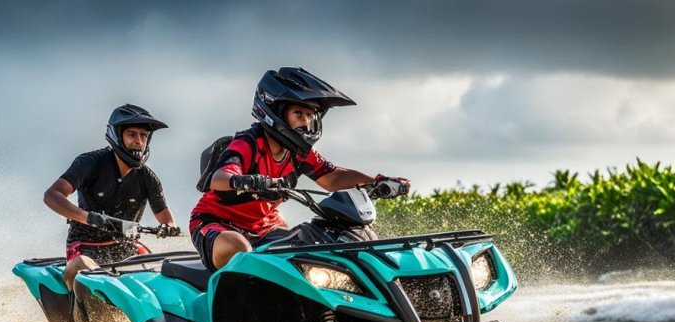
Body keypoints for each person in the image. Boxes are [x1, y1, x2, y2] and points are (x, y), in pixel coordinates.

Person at [190, 67, 410, 270]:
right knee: (238, 247)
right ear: (275, 111)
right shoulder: (249, 143)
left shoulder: (298, 152)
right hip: (217, 224)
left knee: (312, 251)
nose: (306, 121)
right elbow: (219, 177)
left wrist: (377, 182)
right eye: (298, 113)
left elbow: (331, 178)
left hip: (266, 228)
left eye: (310, 115)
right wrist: (249, 180)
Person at [44, 104, 179, 289]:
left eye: (144, 136)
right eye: (132, 134)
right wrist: (89, 218)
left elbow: (167, 220)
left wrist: (169, 228)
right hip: (85, 248)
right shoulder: (90, 163)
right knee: (84, 266)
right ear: (117, 135)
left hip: (127, 249)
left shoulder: (149, 178)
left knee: (164, 275)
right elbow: (52, 196)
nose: (139, 141)